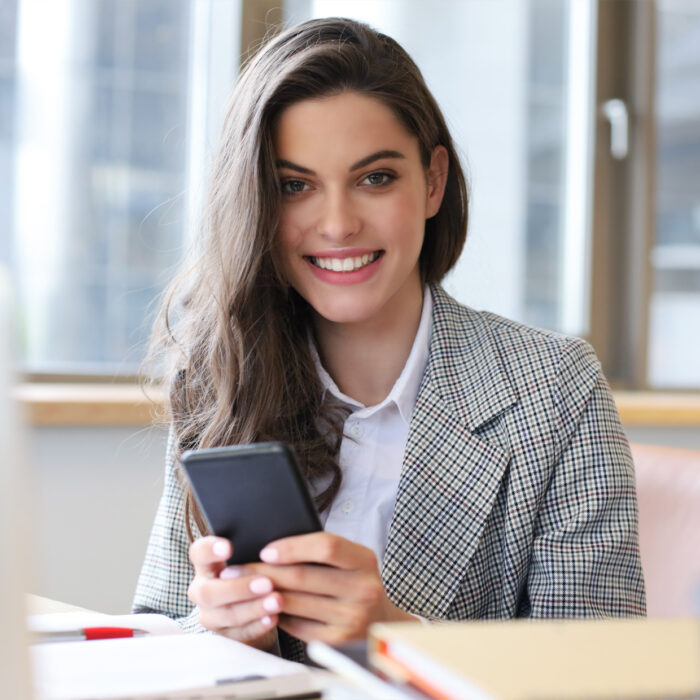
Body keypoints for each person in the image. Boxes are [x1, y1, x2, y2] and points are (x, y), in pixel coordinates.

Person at [133, 17, 646, 663]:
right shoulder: (219, 374)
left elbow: (607, 672)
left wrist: (397, 639)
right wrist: (230, 636)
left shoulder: (555, 387)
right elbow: (156, 625)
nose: (339, 223)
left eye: (375, 178)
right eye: (295, 186)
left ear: (433, 181)